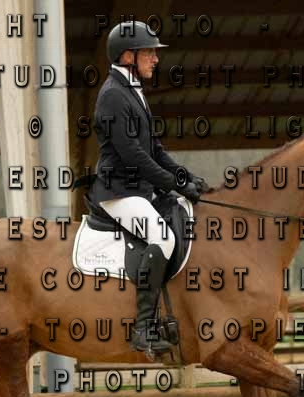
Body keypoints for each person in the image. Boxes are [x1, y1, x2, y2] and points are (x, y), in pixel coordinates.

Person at [89, 20, 209, 355]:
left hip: (138, 189)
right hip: (118, 192)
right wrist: (175, 184)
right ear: (128, 56)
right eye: (149, 53)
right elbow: (134, 156)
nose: (156, 59)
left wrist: (185, 177)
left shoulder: (131, 90)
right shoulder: (113, 95)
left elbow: (154, 149)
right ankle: (143, 329)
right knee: (162, 237)